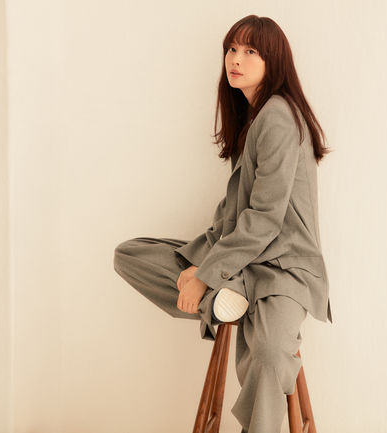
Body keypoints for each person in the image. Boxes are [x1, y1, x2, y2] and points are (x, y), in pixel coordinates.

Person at [113, 14, 332, 433]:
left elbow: (265, 219)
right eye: (232, 49)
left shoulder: (278, 116)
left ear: (273, 61)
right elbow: (236, 209)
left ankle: (220, 293)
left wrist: (205, 274)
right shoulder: (254, 117)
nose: (236, 59)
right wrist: (205, 261)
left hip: (281, 270)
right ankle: (222, 295)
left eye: (250, 51)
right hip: (240, 261)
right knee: (131, 255)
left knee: (269, 355)